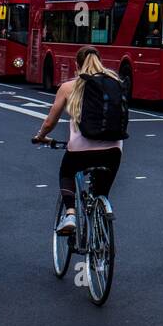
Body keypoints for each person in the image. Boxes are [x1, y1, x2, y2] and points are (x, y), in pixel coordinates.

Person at [33, 48, 126, 235]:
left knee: (66, 172)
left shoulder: (68, 87)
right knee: (101, 193)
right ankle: (101, 239)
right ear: (100, 61)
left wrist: (41, 136)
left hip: (80, 149)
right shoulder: (115, 82)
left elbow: (50, 122)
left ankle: (70, 215)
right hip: (113, 149)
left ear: (76, 65)